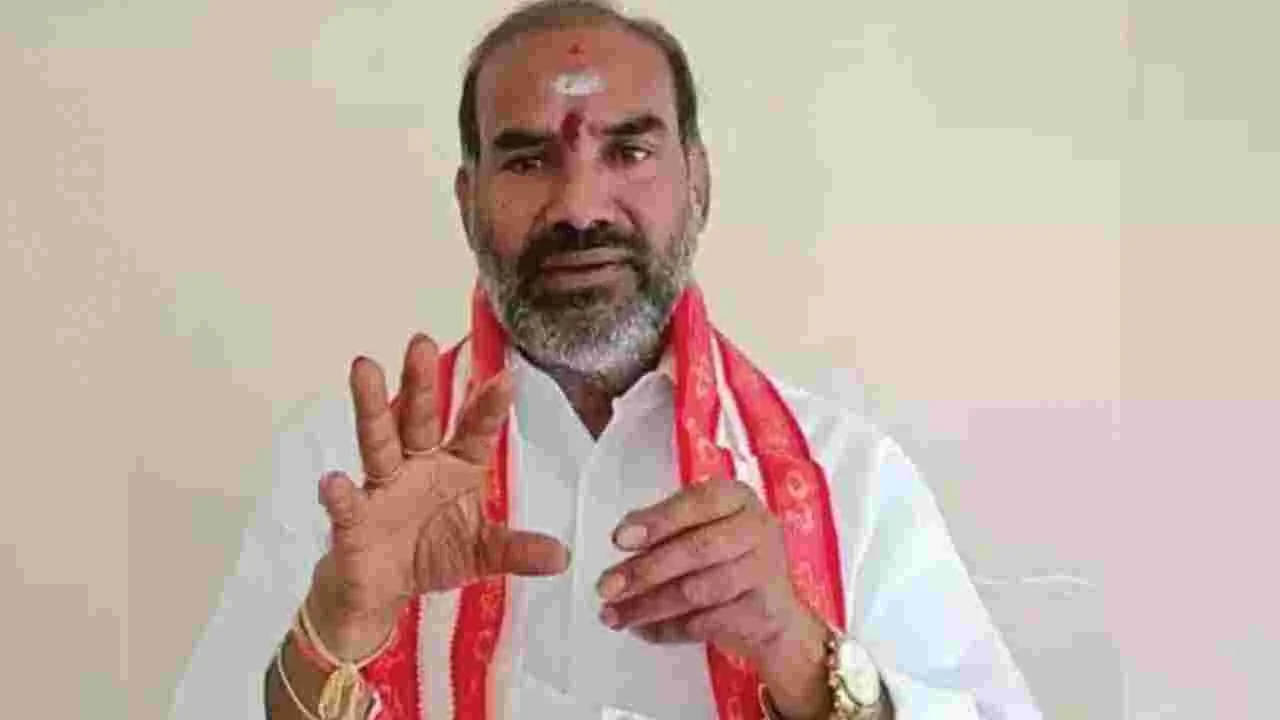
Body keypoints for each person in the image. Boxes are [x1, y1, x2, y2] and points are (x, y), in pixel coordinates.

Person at [172, 1, 1041, 718]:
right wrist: (335, 632)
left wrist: (795, 648)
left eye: (628, 151)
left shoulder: (847, 477)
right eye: (528, 159)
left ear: (698, 184)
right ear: (468, 201)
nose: (580, 206)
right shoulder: (344, 476)